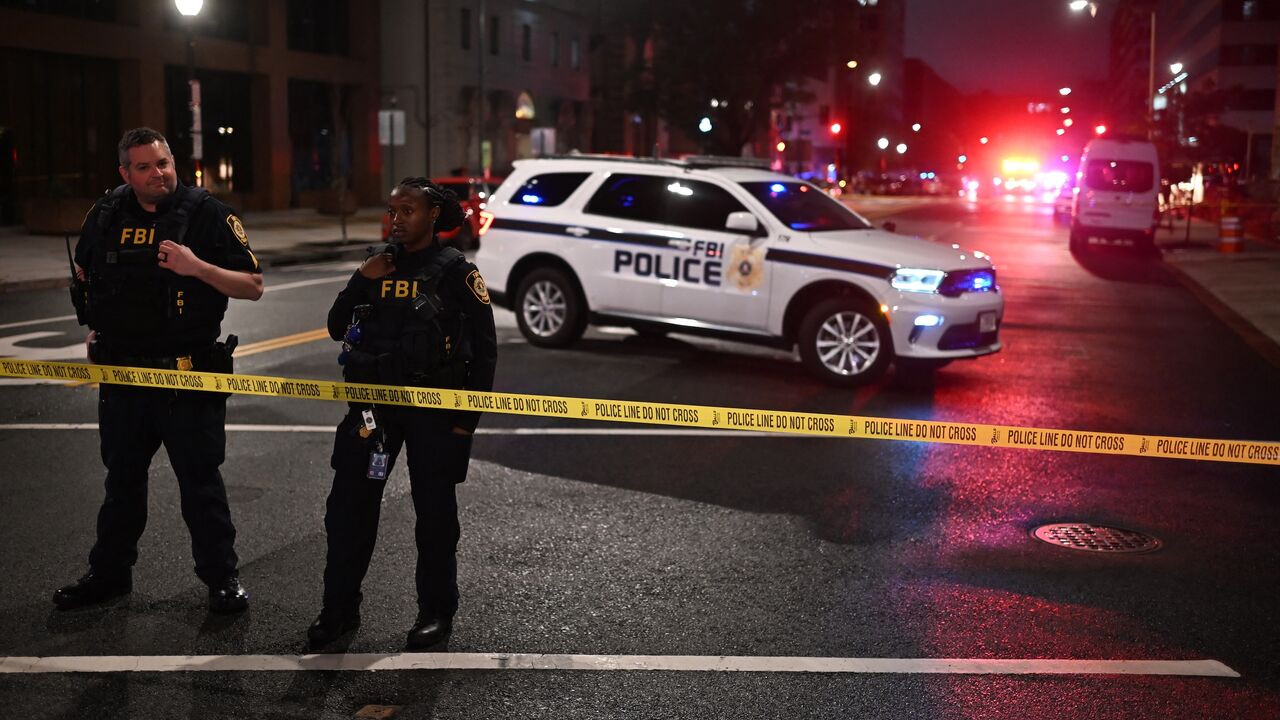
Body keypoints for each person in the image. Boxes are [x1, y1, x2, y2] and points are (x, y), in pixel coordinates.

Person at [54, 127, 264, 614]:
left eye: (164, 162)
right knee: (122, 482)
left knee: (200, 484)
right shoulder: (105, 214)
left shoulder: (207, 214)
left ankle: (221, 579)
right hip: (124, 378)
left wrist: (197, 268)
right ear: (125, 173)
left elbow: (252, 285)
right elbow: (87, 274)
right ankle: (109, 575)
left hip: (186, 377)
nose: (158, 173)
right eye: (144, 166)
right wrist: (95, 328)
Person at [308, 177, 498, 650]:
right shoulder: (376, 265)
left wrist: (464, 424)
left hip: (434, 410)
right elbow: (336, 327)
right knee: (349, 510)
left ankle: (435, 612)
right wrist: (360, 279)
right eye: (393, 210)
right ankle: (339, 609)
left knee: (434, 516)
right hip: (374, 411)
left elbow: (486, 352)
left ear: (433, 215)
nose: (398, 219)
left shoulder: (455, 271)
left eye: (408, 210)